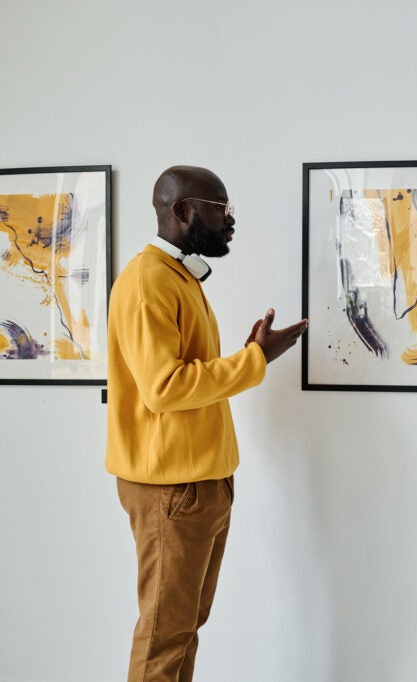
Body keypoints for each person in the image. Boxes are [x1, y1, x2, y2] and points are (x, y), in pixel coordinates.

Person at [105, 165, 307, 681]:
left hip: (199, 481)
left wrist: (252, 355)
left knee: (183, 626)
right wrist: (255, 360)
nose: (229, 221)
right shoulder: (149, 281)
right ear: (181, 211)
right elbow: (165, 386)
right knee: (164, 632)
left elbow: (187, 376)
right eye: (220, 209)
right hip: (171, 486)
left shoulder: (176, 278)